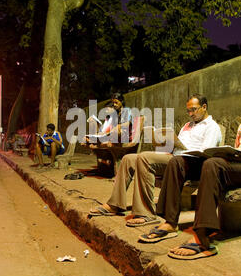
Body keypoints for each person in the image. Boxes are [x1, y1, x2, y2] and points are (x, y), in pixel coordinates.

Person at [146, 78, 241, 260]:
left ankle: (203, 237)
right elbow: (238, 148)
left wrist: (240, 157)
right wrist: (230, 154)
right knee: (178, 162)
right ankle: (170, 222)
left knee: (212, 164)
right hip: (236, 166)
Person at [89, 94, 223, 228]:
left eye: (193, 109)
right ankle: (115, 204)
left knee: (144, 158)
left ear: (204, 107)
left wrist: (181, 152)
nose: (190, 114)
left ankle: (146, 213)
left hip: (189, 164)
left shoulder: (212, 127)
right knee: (128, 159)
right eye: (188, 110)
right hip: (173, 158)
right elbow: (179, 144)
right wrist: (165, 142)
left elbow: (205, 154)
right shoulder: (187, 125)